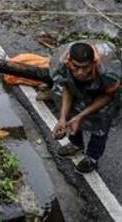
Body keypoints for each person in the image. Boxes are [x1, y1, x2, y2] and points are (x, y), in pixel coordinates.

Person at [51, 41, 121, 173]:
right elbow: (67, 86)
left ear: (93, 63)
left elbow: (108, 96)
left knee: (100, 124)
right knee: (72, 113)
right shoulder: (62, 64)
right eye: (76, 67)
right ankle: (76, 144)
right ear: (69, 61)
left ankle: (92, 157)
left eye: (85, 67)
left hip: (104, 94)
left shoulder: (108, 72)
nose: (80, 72)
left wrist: (82, 116)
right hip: (79, 89)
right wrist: (62, 118)